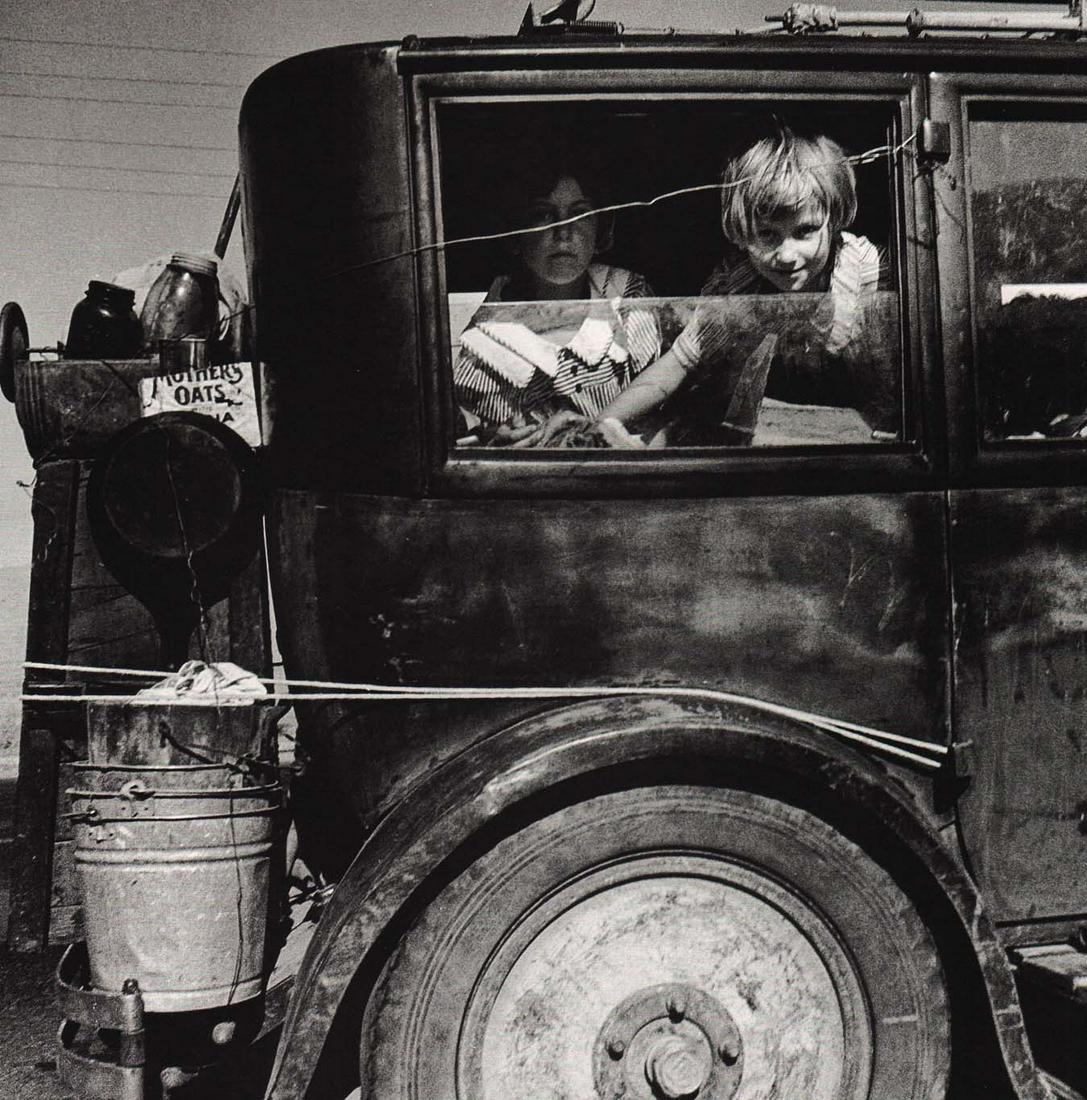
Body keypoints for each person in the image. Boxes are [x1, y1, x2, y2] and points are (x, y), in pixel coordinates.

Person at [587, 126, 892, 443]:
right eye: (768, 235)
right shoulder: (738, 285)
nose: (787, 255)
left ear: (833, 219)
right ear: (742, 232)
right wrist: (598, 425)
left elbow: (893, 397)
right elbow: (676, 367)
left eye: (805, 231)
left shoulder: (867, 279)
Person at [453, 159, 660, 445]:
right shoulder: (485, 347)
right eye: (543, 214)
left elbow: (664, 412)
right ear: (514, 234)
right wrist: (493, 439)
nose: (564, 231)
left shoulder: (628, 301)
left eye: (580, 214)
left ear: (602, 229)